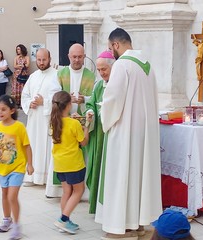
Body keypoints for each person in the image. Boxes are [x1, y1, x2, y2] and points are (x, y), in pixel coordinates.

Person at [95, 28, 162, 240]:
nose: (110, 52)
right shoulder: (148, 66)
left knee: (122, 176)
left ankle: (122, 227)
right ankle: (139, 223)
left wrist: (102, 112)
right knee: (139, 178)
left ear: (116, 45)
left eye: (109, 47)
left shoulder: (122, 65)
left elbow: (113, 100)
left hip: (124, 133)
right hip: (144, 135)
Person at [45, 43, 96, 197]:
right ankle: (59, 191)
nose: (77, 60)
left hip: (79, 121)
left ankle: (82, 192)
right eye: (74, 57)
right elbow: (53, 95)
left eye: (80, 57)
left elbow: (94, 97)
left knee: (80, 155)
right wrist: (68, 98)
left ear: (84, 57)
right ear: (69, 56)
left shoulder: (90, 75)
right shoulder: (61, 73)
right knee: (63, 154)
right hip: (63, 121)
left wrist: (83, 99)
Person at [0, 95, 34, 239]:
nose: (0, 112)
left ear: (12, 110)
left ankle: (17, 226)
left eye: (3, 109)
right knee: (5, 195)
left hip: (17, 167)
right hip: (2, 169)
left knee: (12, 196)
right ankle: (7, 219)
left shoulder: (19, 127)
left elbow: (27, 147)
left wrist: (30, 164)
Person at [51, 91, 93, 234]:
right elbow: (84, 142)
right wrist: (86, 127)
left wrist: (73, 120)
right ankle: (63, 219)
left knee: (66, 192)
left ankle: (65, 220)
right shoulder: (74, 123)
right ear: (69, 105)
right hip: (74, 163)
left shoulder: (53, 123)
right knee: (78, 191)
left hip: (60, 164)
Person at [21, 48, 61, 186]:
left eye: (44, 59)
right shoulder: (33, 76)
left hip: (48, 118)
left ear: (49, 59)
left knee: (46, 146)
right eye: (39, 60)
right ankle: (31, 176)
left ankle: (45, 178)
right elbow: (25, 95)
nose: (42, 62)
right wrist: (29, 103)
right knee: (32, 144)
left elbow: (59, 96)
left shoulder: (56, 75)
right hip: (34, 119)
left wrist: (44, 102)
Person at [85, 50, 115, 214]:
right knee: (98, 167)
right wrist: (90, 113)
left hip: (112, 134)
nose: (102, 73)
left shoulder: (118, 83)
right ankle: (97, 205)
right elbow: (91, 104)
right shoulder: (98, 85)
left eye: (104, 69)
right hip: (100, 136)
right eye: (99, 70)